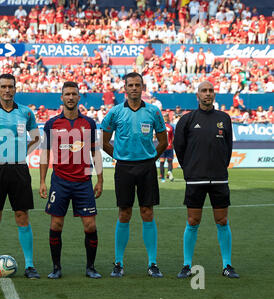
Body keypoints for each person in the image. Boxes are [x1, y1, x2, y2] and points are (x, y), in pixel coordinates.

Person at [0, 73, 41, 279]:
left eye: (10, 86)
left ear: (15, 88)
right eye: (3, 86)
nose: (7, 90)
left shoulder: (26, 113)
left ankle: (30, 265)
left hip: (19, 168)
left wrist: (22, 152)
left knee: (22, 215)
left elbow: (37, 138)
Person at [101, 72, 168, 278]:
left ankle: (153, 263)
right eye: (130, 85)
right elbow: (104, 141)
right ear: (125, 87)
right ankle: (119, 263)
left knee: (147, 212)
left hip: (147, 168)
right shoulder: (114, 112)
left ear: (143, 87)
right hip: (124, 168)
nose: (134, 88)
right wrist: (121, 156)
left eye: (137, 85)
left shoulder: (154, 112)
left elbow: (163, 141)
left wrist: (150, 158)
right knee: (124, 213)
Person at [173, 81, 239, 279]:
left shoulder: (224, 118)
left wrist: (219, 167)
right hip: (195, 180)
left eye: (211, 91)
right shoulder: (187, 120)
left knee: (222, 220)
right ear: (197, 95)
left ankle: (227, 265)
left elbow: (228, 147)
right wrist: (190, 169)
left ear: (214, 94)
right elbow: (179, 147)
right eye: (204, 91)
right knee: (193, 221)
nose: (208, 94)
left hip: (219, 179)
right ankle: (186, 265)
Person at [39, 81, 103, 279]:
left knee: (90, 226)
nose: (70, 97)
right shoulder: (51, 124)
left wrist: (100, 180)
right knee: (56, 225)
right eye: (67, 94)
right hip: (60, 181)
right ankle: (56, 268)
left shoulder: (89, 123)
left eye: (74, 94)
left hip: (83, 181)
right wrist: (42, 181)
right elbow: (44, 154)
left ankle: (90, 267)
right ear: (62, 97)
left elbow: (96, 153)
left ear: (78, 97)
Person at [159, 113, 175, 182]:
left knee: (162, 162)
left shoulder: (160, 126)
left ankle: (162, 178)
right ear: (168, 118)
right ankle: (169, 172)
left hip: (162, 147)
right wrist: (172, 145)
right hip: (169, 146)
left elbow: (157, 136)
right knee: (170, 161)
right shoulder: (171, 127)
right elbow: (173, 137)